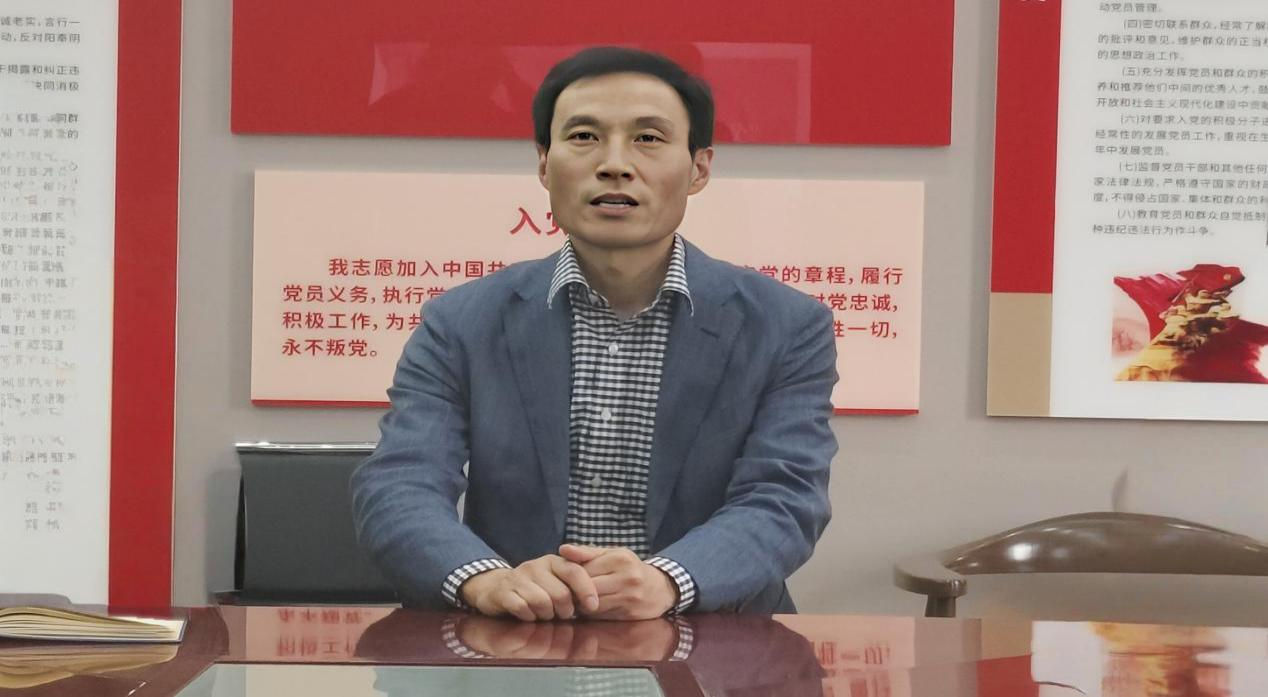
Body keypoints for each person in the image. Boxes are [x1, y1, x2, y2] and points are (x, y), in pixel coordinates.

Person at [350, 46, 837, 621]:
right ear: (543, 163)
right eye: (584, 137)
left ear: (699, 168)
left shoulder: (787, 326)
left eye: (648, 138)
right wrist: (486, 579)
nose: (615, 164)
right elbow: (400, 485)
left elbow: (784, 497)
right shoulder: (460, 322)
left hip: (713, 636)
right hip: (514, 634)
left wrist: (667, 580)